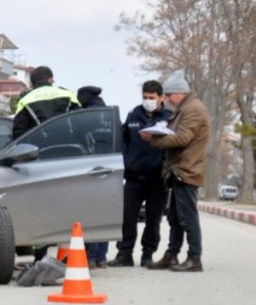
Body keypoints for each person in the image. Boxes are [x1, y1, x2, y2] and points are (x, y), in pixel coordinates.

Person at [141, 71, 209, 272]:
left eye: (169, 95)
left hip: (187, 170)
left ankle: (194, 258)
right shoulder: (184, 108)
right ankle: (171, 255)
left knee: (187, 217)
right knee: (175, 218)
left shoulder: (193, 109)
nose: (167, 98)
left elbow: (183, 138)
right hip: (178, 170)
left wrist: (155, 139)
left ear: (180, 92)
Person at [108, 80, 170, 267]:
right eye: (145, 97)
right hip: (134, 177)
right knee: (127, 218)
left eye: (151, 98)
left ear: (161, 98)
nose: (147, 101)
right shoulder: (134, 114)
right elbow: (124, 138)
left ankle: (147, 255)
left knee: (153, 220)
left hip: (158, 178)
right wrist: (127, 160)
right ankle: (124, 254)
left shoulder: (169, 117)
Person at [78, 86, 109, 268]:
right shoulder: (109, 114)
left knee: (92, 215)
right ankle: (101, 258)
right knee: (104, 215)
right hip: (111, 168)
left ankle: (90, 256)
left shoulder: (86, 116)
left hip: (91, 168)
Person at [11, 66, 81, 139]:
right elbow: (81, 121)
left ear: (31, 83)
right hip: (68, 143)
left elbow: (18, 133)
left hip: (40, 147)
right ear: (51, 80)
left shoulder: (24, 100)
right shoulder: (68, 94)